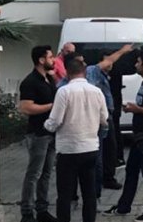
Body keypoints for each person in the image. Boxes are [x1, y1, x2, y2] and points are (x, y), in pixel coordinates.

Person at [44, 57, 109, 222]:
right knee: (89, 193)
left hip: (68, 149)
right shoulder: (96, 91)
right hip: (90, 147)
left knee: (65, 194)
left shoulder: (64, 92)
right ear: (84, 72)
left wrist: (47, 125)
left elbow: (55, 121)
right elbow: (104, 118)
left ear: (67, 72)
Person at [57, 44, 133, 196]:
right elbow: (108, 61)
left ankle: (82, 193)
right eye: (81, 62)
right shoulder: (86, 75)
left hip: (83, 126)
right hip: (90, 124)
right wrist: (123, 50)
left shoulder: (64, 85)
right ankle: (90, 193)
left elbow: (109, 61)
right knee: (94, 158)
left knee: (87, 158)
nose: (84, 64)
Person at [102, 50, 143, 222]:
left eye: (138, 62)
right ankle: (124, 206)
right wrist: (133, 108)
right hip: (140, 135)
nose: (135, 64)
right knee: (131, 170)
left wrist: (137, 110)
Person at [18, 45, 59, 222]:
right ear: (41, 60)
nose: (53, 60)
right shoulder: (30, 82)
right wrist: (51, 106)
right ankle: (27, 213)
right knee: (34, 173)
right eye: (50, 57)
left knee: (46, 173)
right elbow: (26, 107)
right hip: (37, 134)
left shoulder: (48, 79)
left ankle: (42, 209)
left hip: (50, 133)